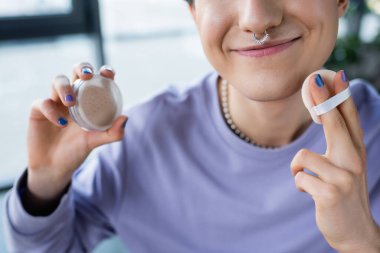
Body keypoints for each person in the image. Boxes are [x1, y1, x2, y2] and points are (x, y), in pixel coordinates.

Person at [3, 0, 380, 252]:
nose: (257, 18)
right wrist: (45, 183)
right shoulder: (141, 141)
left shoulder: (374, 132)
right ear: (193, 9)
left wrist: (361, 240)